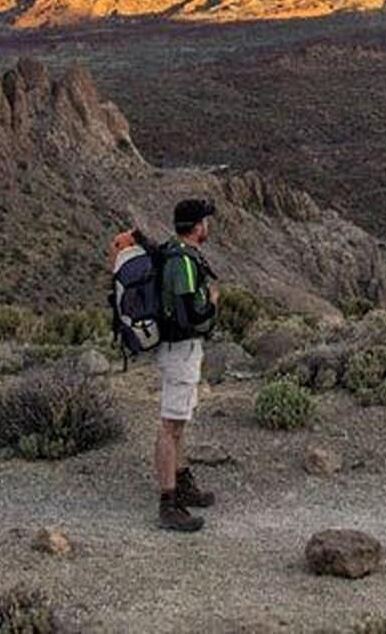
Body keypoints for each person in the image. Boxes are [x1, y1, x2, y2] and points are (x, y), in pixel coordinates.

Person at [155, 196, 220, 532]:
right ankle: (168, 503)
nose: (208, 226)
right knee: (170, 426)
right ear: (197, 227)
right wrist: (212, 305)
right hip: (179, 349)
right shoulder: (182, 261)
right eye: (205, 221)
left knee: (178, 423)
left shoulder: (178, 253)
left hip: (181, 349)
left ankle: (181, 483)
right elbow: (188, 314)